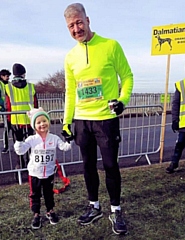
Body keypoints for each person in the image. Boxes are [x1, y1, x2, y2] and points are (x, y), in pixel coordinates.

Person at [62, 3, 133, 235]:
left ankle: (116, 209)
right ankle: (94, 206)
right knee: (87, 166)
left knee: (111, 166)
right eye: (71, 26)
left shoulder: (111, 46)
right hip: (82, 121)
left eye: (79, 22)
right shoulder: (70, 57)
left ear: (88, 20)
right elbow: (70, 92)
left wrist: (122, 100)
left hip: (105, 119)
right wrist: (66, 121)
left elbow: (127, 76)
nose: (76, 28)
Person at [14, 107, 72, 229]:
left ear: (49, 122)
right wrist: (19, 141)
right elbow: (20, 151)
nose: (42, 124)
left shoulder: (54, 138)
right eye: (38, 122)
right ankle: (36, 214)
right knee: (35, 194)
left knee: (48, 194)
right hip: (35, 173)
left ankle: (50, 211)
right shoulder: (32, 139)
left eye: (44, 121)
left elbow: (64, 147)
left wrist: (69, 140)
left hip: (49, 173)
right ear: (34, 126)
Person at [5, 63, 38, 169]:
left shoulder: (8, 87)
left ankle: (20, 163)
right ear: (23, 73)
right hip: (30, 119)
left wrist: (9, 119)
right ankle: (30, 162)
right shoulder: (31, 86)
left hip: (16, 120)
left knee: (18, 144)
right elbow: (35, 104)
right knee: (30, 142)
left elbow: (8, 105)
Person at [166, 56, 185, 176]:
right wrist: (175, 120)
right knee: (180, 144)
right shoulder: (181, 84)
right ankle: (174, 163)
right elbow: (175, 104)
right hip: (184, 122)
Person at [0, 69, 14, 153]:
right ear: (2, 76)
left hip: (12, 109)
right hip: (5, 109)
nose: (8, 78)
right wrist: (4, 106)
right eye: (7, 76)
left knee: (14, 127)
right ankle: (6, 146)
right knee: (6, 128)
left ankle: (16, 145)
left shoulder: (10, 84)